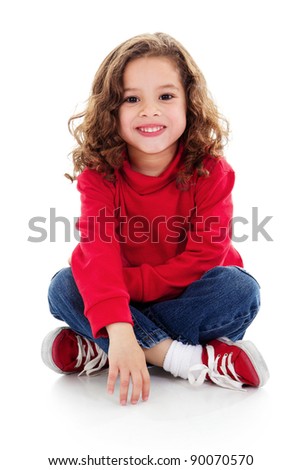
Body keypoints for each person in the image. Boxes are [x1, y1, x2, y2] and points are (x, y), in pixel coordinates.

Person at [41, 32, 269, 406]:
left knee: (239, 291)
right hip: (122, 301)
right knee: (64, 286)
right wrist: (118, 316)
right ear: (111, 110)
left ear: (189, 104)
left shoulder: (211, 171)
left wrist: (121, 311)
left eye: (165, 96)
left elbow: (205, 258)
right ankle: (187, 360)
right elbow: (98, 251)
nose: (149, 110)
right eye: (132, 99)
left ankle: (104, 346)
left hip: (184, 297)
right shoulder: (100, 176)